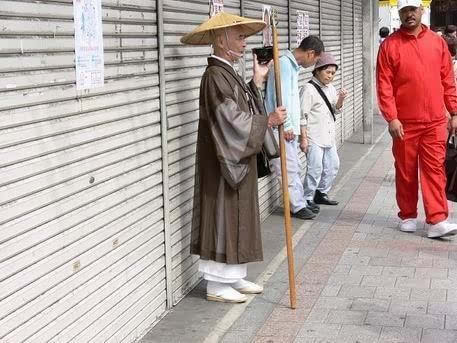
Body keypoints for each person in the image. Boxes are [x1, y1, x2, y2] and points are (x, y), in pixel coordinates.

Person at [181, 12, 287, 303]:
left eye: (244, 37)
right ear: (220, 39)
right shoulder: (215, 75)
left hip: (236, 163)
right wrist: (267, 122)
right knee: (223, 217)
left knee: (238, 218)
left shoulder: (228, 72)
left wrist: (256, 81)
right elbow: (230, 120)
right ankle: (216, 284)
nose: (244, 42)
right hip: (222, 164)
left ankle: (234, 275)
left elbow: (245, 106)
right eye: (239, 37)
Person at [376, 0, 457, 239]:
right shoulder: (390, 46)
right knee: (406, 170)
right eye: (404, 11)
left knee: (434, 170)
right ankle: (408, 215)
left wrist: (454, 112)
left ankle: (437, 219)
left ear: (422, 10)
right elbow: (384, 85)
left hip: (434, 122)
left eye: (413, 10)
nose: (409, 15)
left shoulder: (437, 42)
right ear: (399, 13)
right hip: (405, 123)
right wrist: (391, 117)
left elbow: (448, 81)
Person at [264, 36, 325, 220]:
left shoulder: (291, 66)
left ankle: (299, 202)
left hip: (287, 128)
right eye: (315, 60)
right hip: (281, 128)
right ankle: (296, 206)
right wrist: (288, 125)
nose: (314, 64)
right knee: (288, 168)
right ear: (310, 53)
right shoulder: (283, 64)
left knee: (293, 167)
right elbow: (277, 97)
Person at [300, 53, 347, 207]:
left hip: (328, 135)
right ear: (318, 70)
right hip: (314, 136)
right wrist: (304, 138)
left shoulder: (331, 88)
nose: (330, 76)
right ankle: (307, 197)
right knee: (315, 168)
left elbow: (336, 110)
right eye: (328, 72)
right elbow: (302, 114)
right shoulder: (308, 89)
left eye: (333, 73)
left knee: (333, 165)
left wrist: (341, 99)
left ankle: (321, 193)